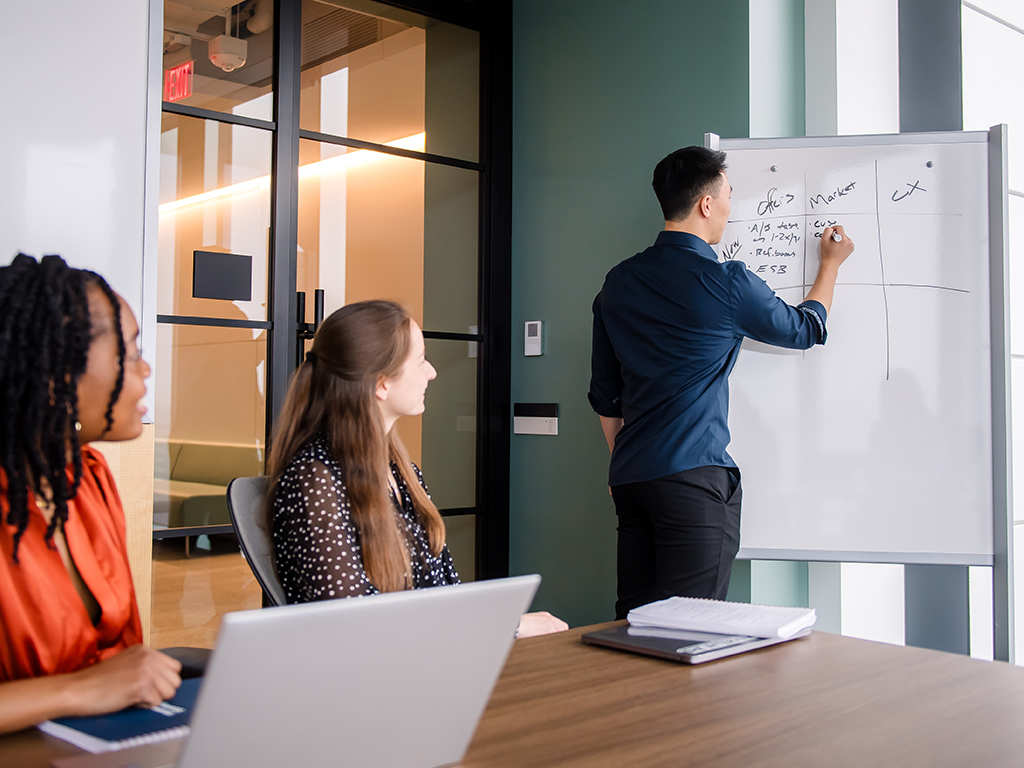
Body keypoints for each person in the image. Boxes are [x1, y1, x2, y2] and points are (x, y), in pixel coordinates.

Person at [589, 146, 855, 619]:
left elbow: (605, 393)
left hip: (631, 479)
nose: (731, 208)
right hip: (692, 480)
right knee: (695, 628)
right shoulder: (727, 282)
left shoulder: (618, 282)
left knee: (632, 624)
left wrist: (625, 463)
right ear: (706, 204)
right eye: (729, 195)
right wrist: (830, 264)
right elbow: (805, 329)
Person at [267, 300, 567, 638]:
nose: (432, 372)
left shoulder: (400, 472)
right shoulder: (313, 480)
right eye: (421, 360)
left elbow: (445, 591)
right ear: (381, 384)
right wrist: (503, 625)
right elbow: (350, 624)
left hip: (427, 664)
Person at [0, 254, 182, 735]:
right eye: (129, 349)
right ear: (59, 367)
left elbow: (125, 660)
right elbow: (101, 681)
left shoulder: (88, 481)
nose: (144, 369)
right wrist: (77, 692)